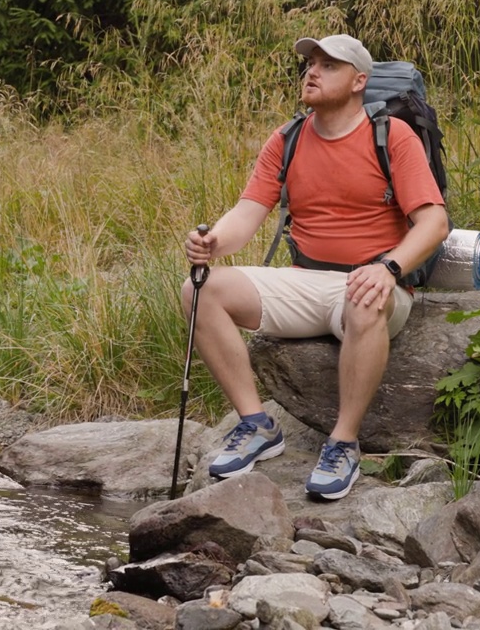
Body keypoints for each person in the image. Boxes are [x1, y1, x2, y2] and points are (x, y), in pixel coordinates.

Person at [182, 33, 449, 500]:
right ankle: (257, 425)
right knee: (199, 289)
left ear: (358, 81)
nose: (313, 71)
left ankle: (343, 443)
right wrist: (212, 242)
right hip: (306, 280)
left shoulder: (391, 135)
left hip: (376, 282)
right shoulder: (287, 138)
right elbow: (248, 212)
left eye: (329, 65)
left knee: (363, 301)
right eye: (311, 63)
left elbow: (434, 222)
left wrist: (389, 268)